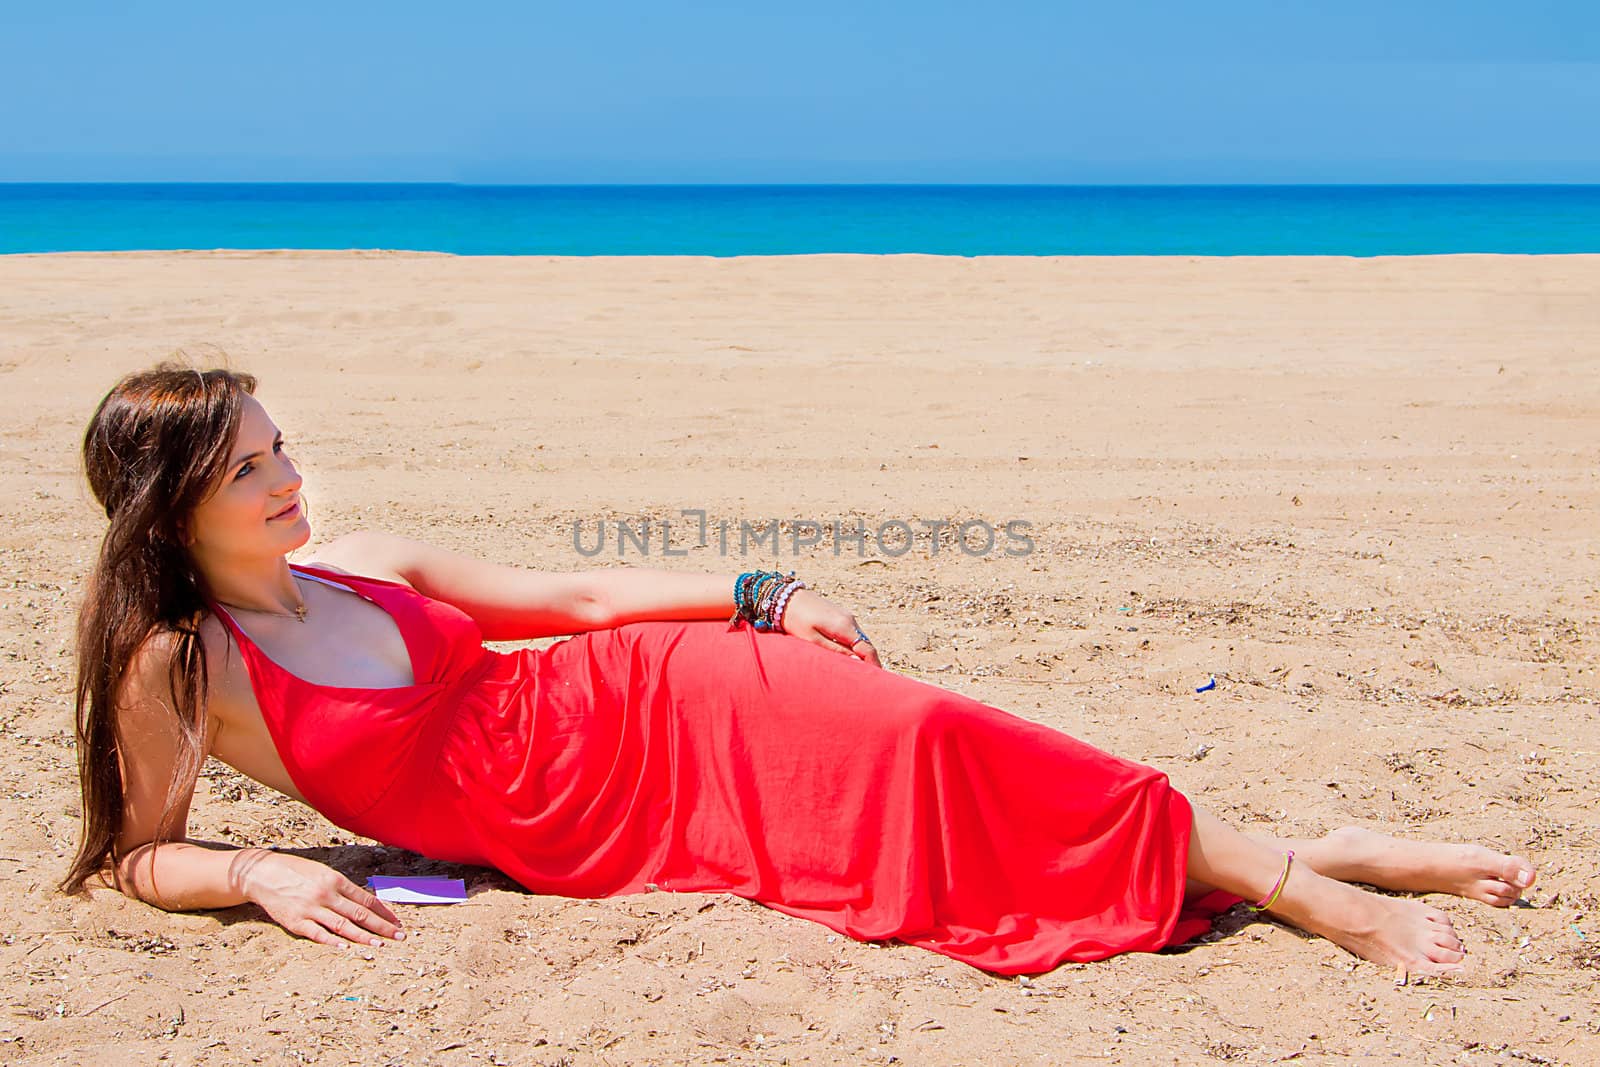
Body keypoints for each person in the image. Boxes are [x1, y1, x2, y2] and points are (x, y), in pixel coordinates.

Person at [62, 363, 1536, 978]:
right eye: (253, 467)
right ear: (171, 500)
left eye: (283, 449)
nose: (291, 478)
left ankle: (1291, 871)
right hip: (598, 830)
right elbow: (130, 856)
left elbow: (575, 595)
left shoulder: (367, 558)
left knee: (939, 735)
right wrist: (257, 875)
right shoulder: (180, 666)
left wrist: (766, 588)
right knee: (923, 818)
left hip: (658, 703)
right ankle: (1299, 860)